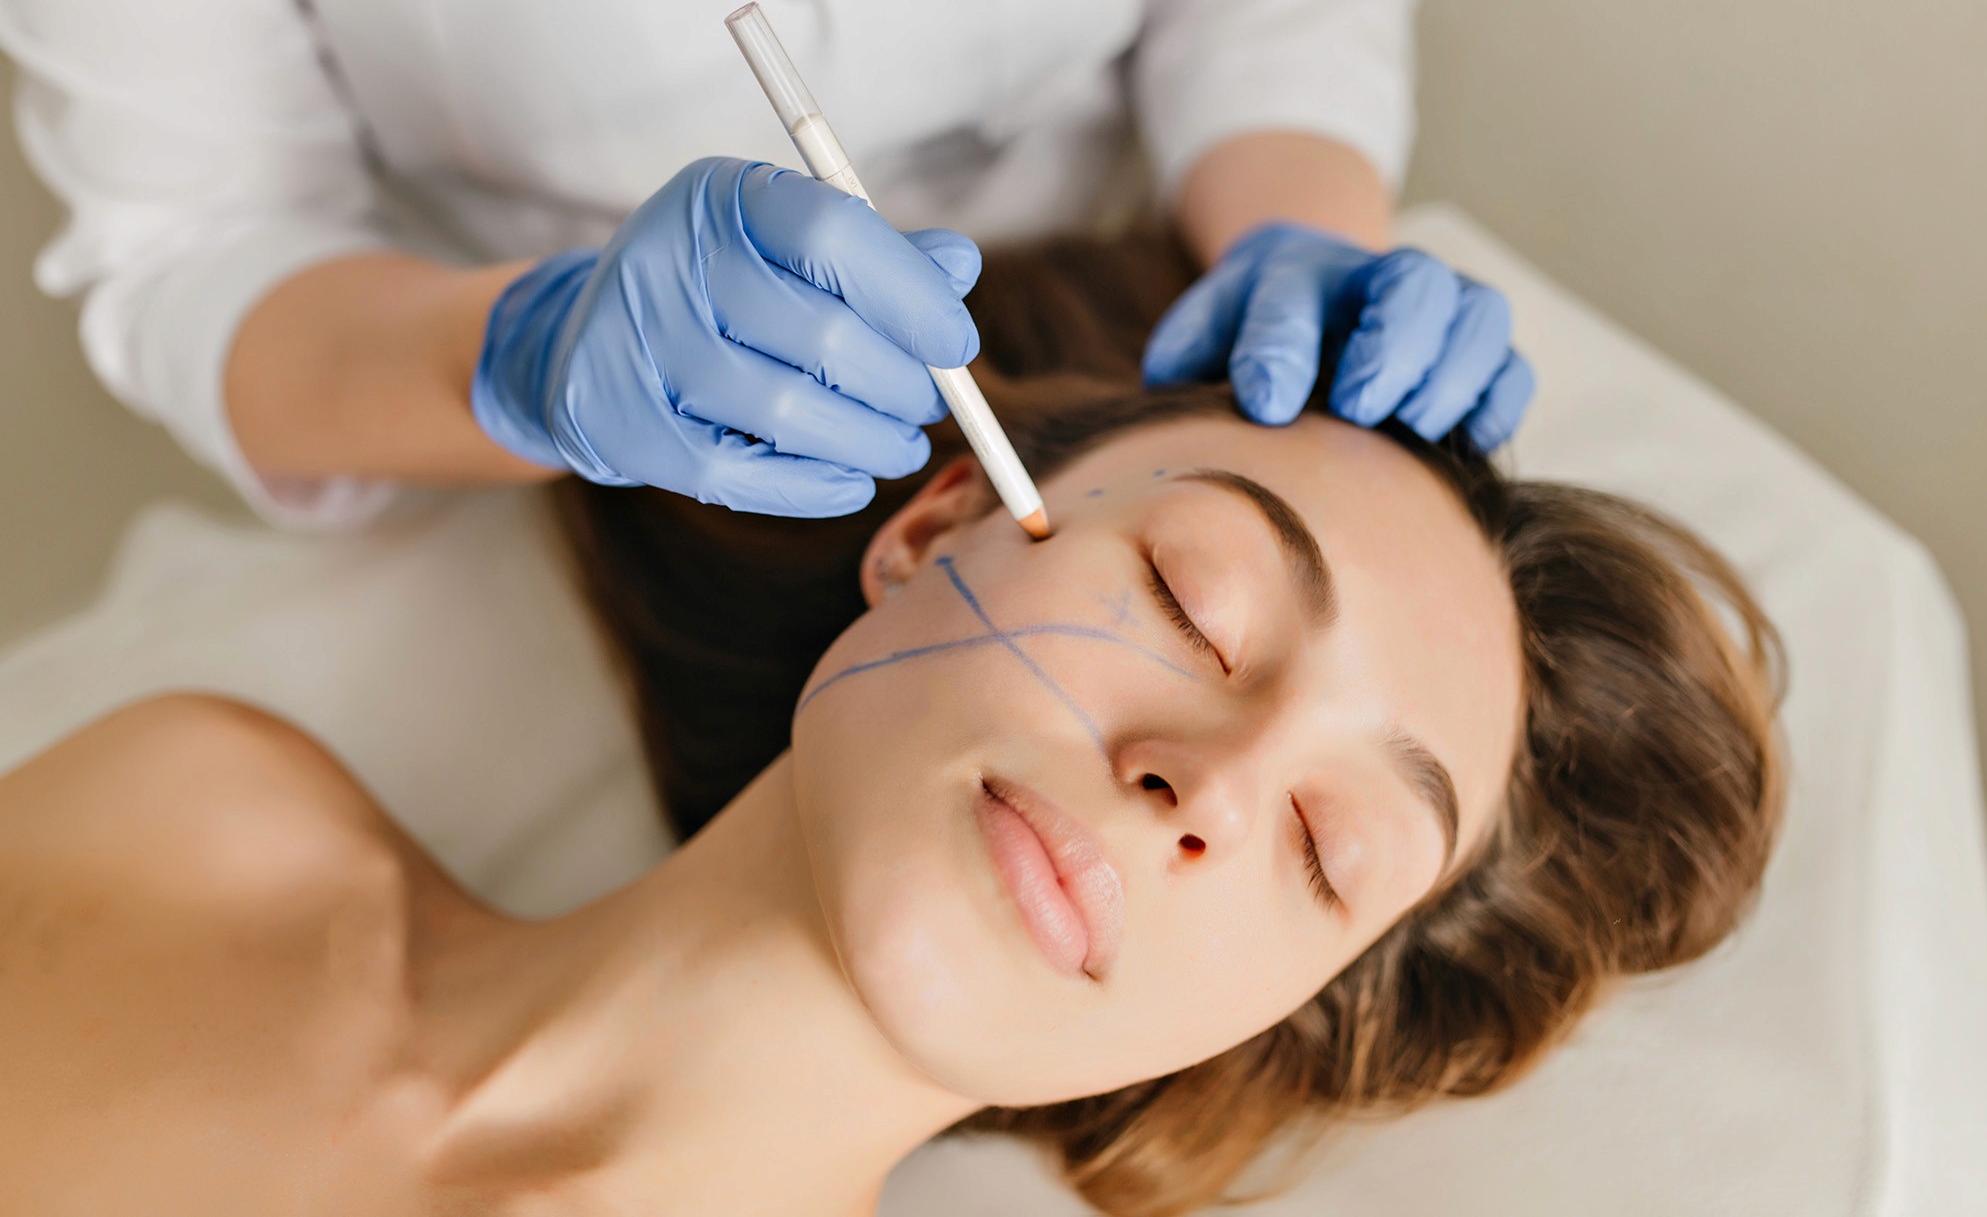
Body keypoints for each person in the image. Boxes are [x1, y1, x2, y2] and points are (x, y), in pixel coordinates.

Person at [0, 233, 1782, 1215]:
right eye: (1193, 596)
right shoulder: (191, 821)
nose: (1209, 784)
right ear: (930, 528)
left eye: (1327, 852)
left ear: (1263, 1011)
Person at [0, 0, 1531, 530]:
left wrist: (1300, 221)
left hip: (1140, 282)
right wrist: (529, 356)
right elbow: (194, 249)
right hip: (576, 421)